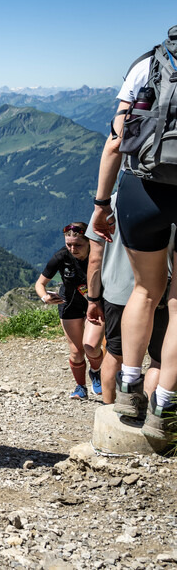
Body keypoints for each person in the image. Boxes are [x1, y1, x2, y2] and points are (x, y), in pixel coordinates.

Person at [91, 26, 177, 443]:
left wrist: (101, 204)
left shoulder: (150, 64)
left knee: (145, 291)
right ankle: (165, 406)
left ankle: (128, 388)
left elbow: (116, 141)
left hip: (141, 191)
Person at [84, 202, 169, 404]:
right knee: (158, 360)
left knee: (115, 354)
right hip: (159, 292)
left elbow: (95, 259)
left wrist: (93, 300)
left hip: (118, 292)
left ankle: (110, 410)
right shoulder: (167, 199)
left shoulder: (108, 206)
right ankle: (149, 414)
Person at [34, 222, 105, 399]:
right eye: (69, 245)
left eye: (78, 245)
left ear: (89, 241)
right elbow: (40, 283)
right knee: (76, 352)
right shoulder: (61, 256)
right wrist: (45, 297)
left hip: (95, 304)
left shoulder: (100, 254)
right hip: (69, 304)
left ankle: (96, 372)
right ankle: (81, 387)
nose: (73, 249)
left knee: (91, 347)